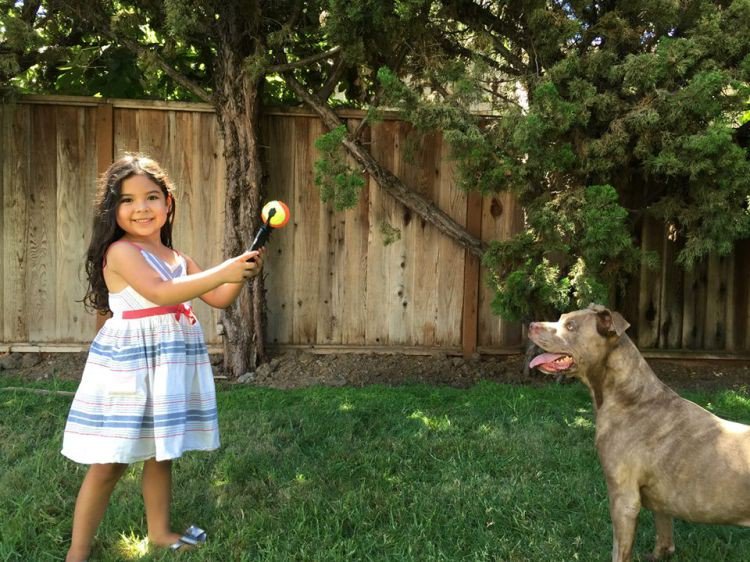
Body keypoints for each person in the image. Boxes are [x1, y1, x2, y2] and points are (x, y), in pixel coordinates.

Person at [61, 154, 264, 562]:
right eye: (127, 200)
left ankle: (159, 532)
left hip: (167, 363)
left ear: (167, 204)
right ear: (112, 210)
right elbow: (158, 292)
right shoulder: (120, 252)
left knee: (161, 450)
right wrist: (223, 270)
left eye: (151, 197)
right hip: (129, 368)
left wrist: (242, 273)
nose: (141, 208)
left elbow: (219, 297)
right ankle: (77, 553)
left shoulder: (177, 257)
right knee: (109, 462)